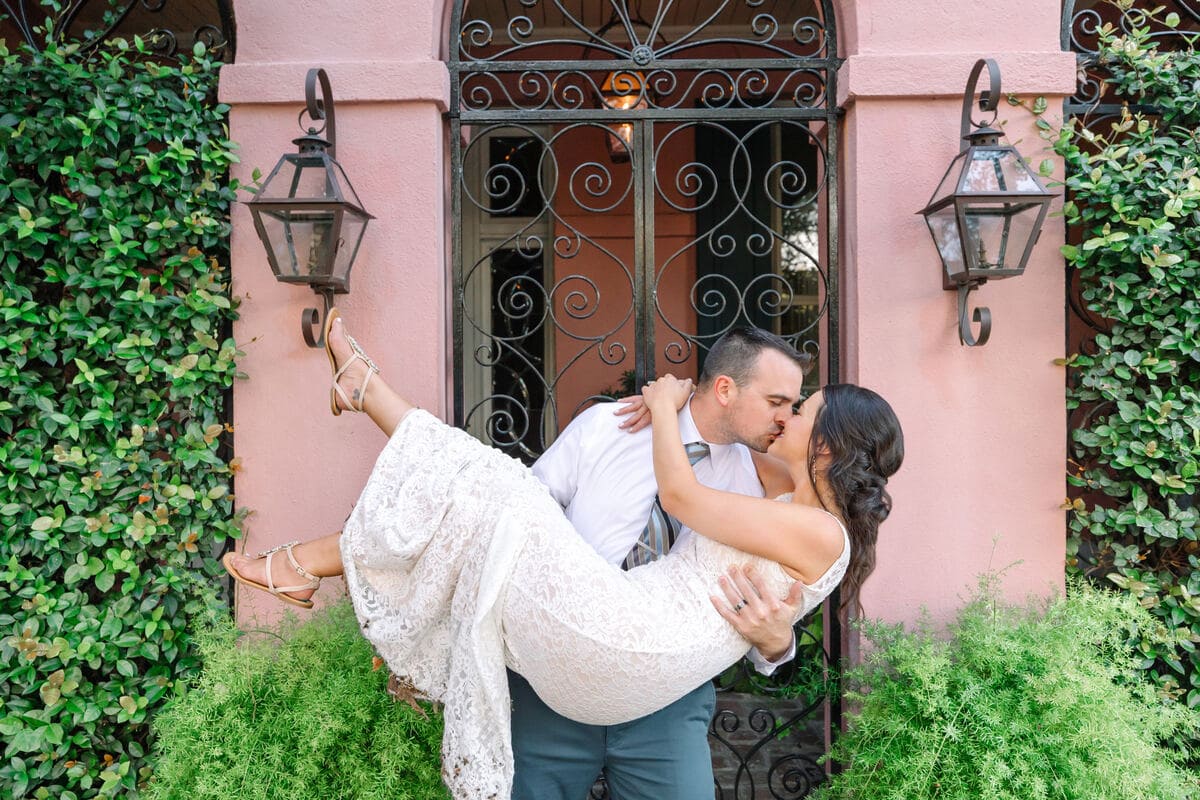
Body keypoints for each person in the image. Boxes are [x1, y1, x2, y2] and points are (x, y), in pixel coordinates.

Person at [223, 311, 904, 800]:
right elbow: (500, 534)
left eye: (799, 410)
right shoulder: (607, 428)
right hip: (560, 669)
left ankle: (346, 439)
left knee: (493, 486)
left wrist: (779, 640)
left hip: (658, 695)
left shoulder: (766, 483)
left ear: (826, 447)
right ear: (726, 389)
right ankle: (351, 425)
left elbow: (719, 526)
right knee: (495, 496)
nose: (785, 418)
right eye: (780, 401)